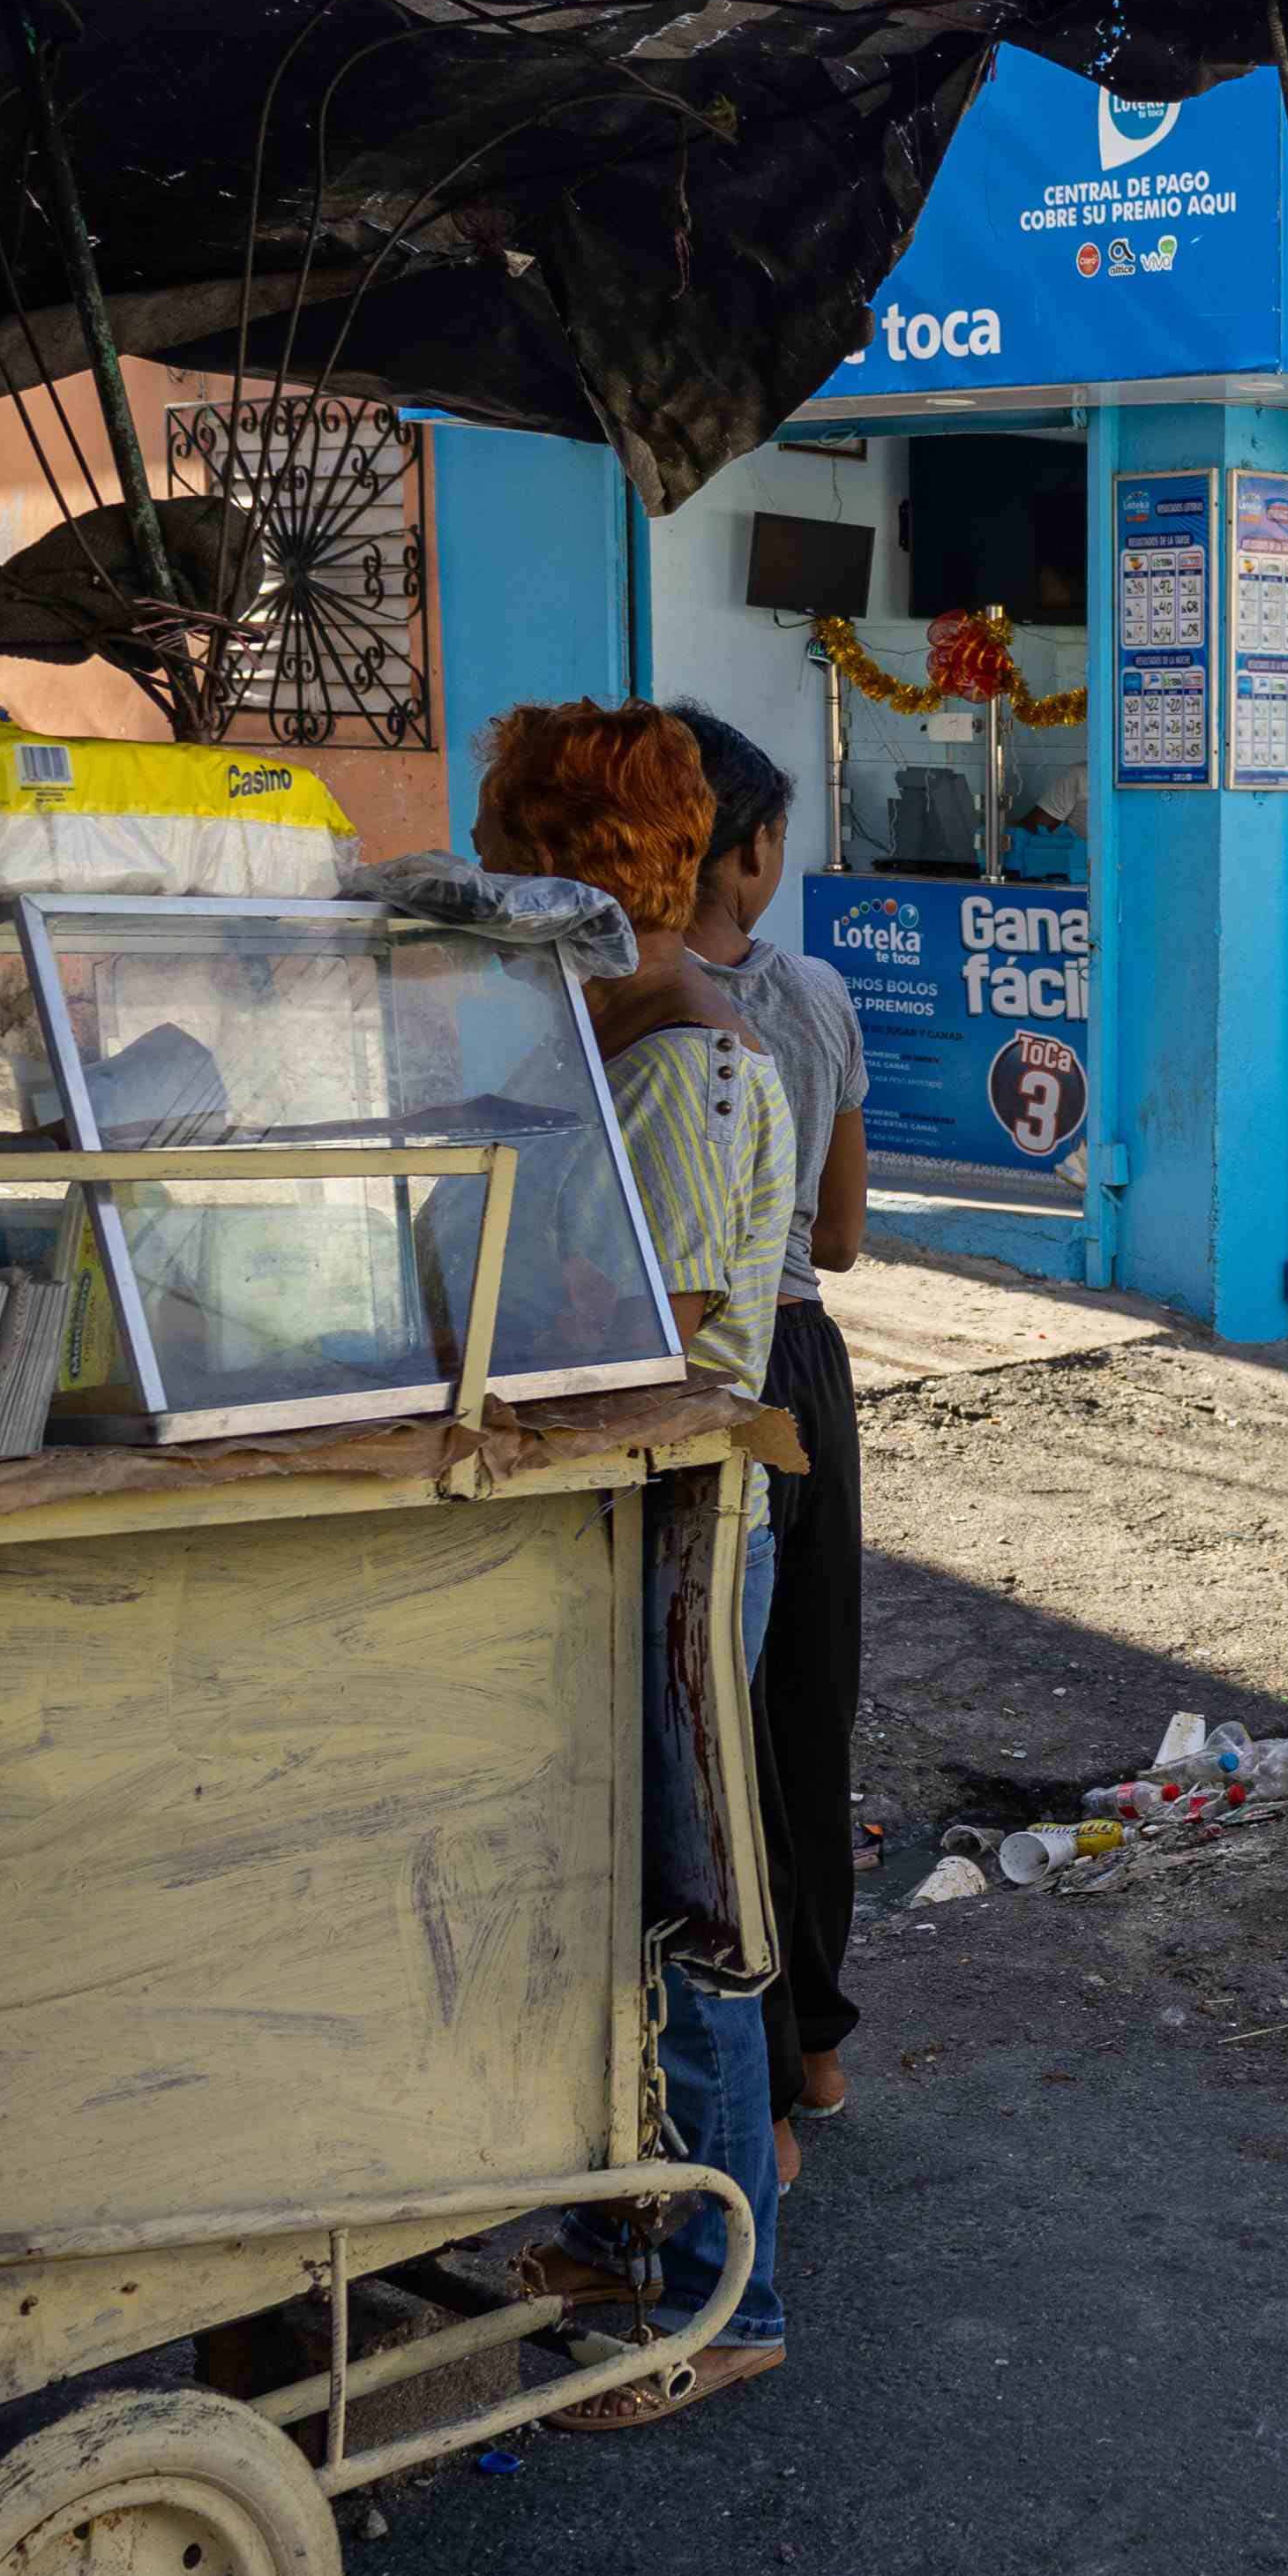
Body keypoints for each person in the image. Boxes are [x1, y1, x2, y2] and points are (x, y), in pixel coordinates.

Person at [472, 702, 797, 2427]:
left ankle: (715, 2301)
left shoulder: (683, 1057)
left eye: (506, 849)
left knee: (687, 1899)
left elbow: (653, 1345)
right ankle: (641, 2231)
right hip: (636, 1523)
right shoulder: (637, 1037)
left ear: (562, 867)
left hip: (685, 1527)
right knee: (628, 1894)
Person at [670, 707, 870, 2128]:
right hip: (804, 1363)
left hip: (693, 1377)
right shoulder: (816, 998)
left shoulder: (609, 991)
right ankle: (815, 2058)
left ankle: (729, 2087)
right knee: (807, 1718)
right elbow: (844, 1234)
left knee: (704, 1734)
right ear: (747, 855)